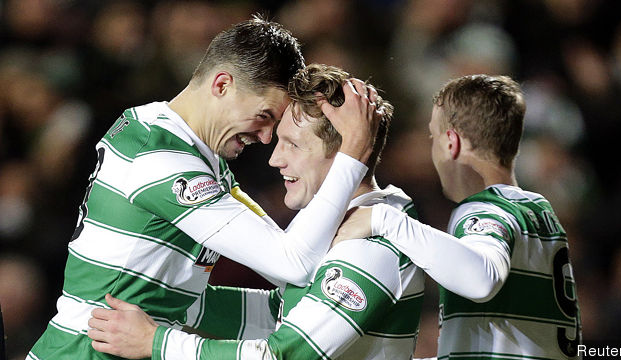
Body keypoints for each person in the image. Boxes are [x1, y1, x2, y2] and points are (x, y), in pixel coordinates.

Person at [28, 16, 382, 360]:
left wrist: (297, 312)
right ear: (222, 85)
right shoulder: (160, 157)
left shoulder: (196, 156)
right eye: (264, 116)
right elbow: (293, 262)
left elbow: (272, 266)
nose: (265, 138)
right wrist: (352, 153)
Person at [86, 64, 426, 359]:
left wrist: (157, 342)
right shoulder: (337, 225)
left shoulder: (369, 247)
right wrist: (171, 303)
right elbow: (282, 312)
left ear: (345, 153)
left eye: (293, 144)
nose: (275, 159)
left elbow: (283, 354)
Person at [338, 74, 582, 359]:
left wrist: (383, 220)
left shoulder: (483, 210)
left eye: (433, 136)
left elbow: (482, 280)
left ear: (451, 142)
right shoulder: (541, 211)